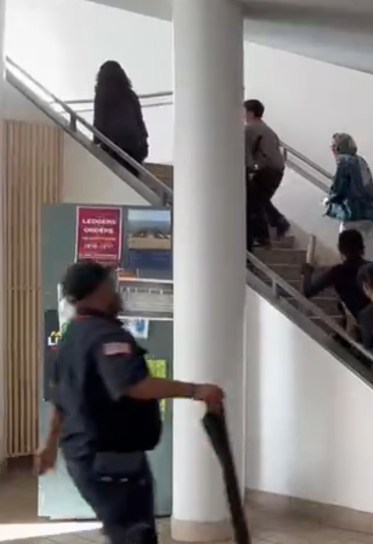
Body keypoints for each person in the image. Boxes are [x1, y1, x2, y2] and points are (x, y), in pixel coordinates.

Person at [36, 261, 225, 544]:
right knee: (135, 535)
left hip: (83, 457)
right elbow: (134, 385)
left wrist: (49, 445)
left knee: (124, 532)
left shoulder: (72, 333)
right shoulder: (106, 335)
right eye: (111, 285)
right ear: (98, 290)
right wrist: (197, 390)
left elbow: (61, 398)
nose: (117, 291)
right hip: (112, 462)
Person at [324, 133, 373, 263]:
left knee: (346, 248)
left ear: (338, 148)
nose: (332, 150)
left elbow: (339, 187)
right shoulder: (361, 161)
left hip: (353, 213)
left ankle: (349, 274)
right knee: (361, 251)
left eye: (333, 146)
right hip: (369, 214)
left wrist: (329, 200)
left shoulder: (344, 161)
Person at [301, 230, 371, 332]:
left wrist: (307, 270)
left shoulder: (338, 272)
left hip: (358, 324)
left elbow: (308, 290)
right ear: (362, 247)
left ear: (340, 248)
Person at [244, 99, 289, 248]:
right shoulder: (268, 129)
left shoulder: (249, 129)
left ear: (250, 113)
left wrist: (249, 169)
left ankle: (265, 233)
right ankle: (273, 227)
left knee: (252, 202)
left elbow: (247, 154)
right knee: (259, 201)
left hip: (266, 169)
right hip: (278, 170)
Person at [93, 61, 148, 176]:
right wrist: (143, 145)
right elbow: (140, 122)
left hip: (113, 145)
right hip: (134, 145)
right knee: (132, 180)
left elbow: (99, 119)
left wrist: (95, 142)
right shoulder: (131, 95)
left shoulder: (102, 93)